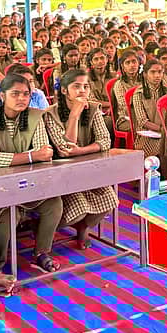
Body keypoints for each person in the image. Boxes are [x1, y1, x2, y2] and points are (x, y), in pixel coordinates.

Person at [0, 74, 63, 273]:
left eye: (26, 94)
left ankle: (41, 252)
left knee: (54, 204)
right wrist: (32, 156)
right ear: (2, 96)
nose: (21, 98)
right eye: (15, 94)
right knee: (7, 216)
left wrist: (33, 156)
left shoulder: (35, 116)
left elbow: (44, 153)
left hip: (27, 179)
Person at [44, 69, 119, 249]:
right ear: (64, 90)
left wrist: (81, 151)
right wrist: (74, 115)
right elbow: (66, 148)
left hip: (88, 169)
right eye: (76, 86)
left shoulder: (93, 109)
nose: (82, 91)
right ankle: (46, 229)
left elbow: (105, 141)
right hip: (62, 173)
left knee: (110, 201)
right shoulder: (51, 114)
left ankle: (83, 228)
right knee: (78, 209)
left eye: (86, 86)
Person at [130, 59, 167, 168]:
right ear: (145, 74)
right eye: (153, 72)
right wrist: (162, 130)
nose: (157, 75)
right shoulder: (139, 93)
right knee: (154, 148)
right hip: (148, 134)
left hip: (166, 132)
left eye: (160, 72)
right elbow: (143, 121)